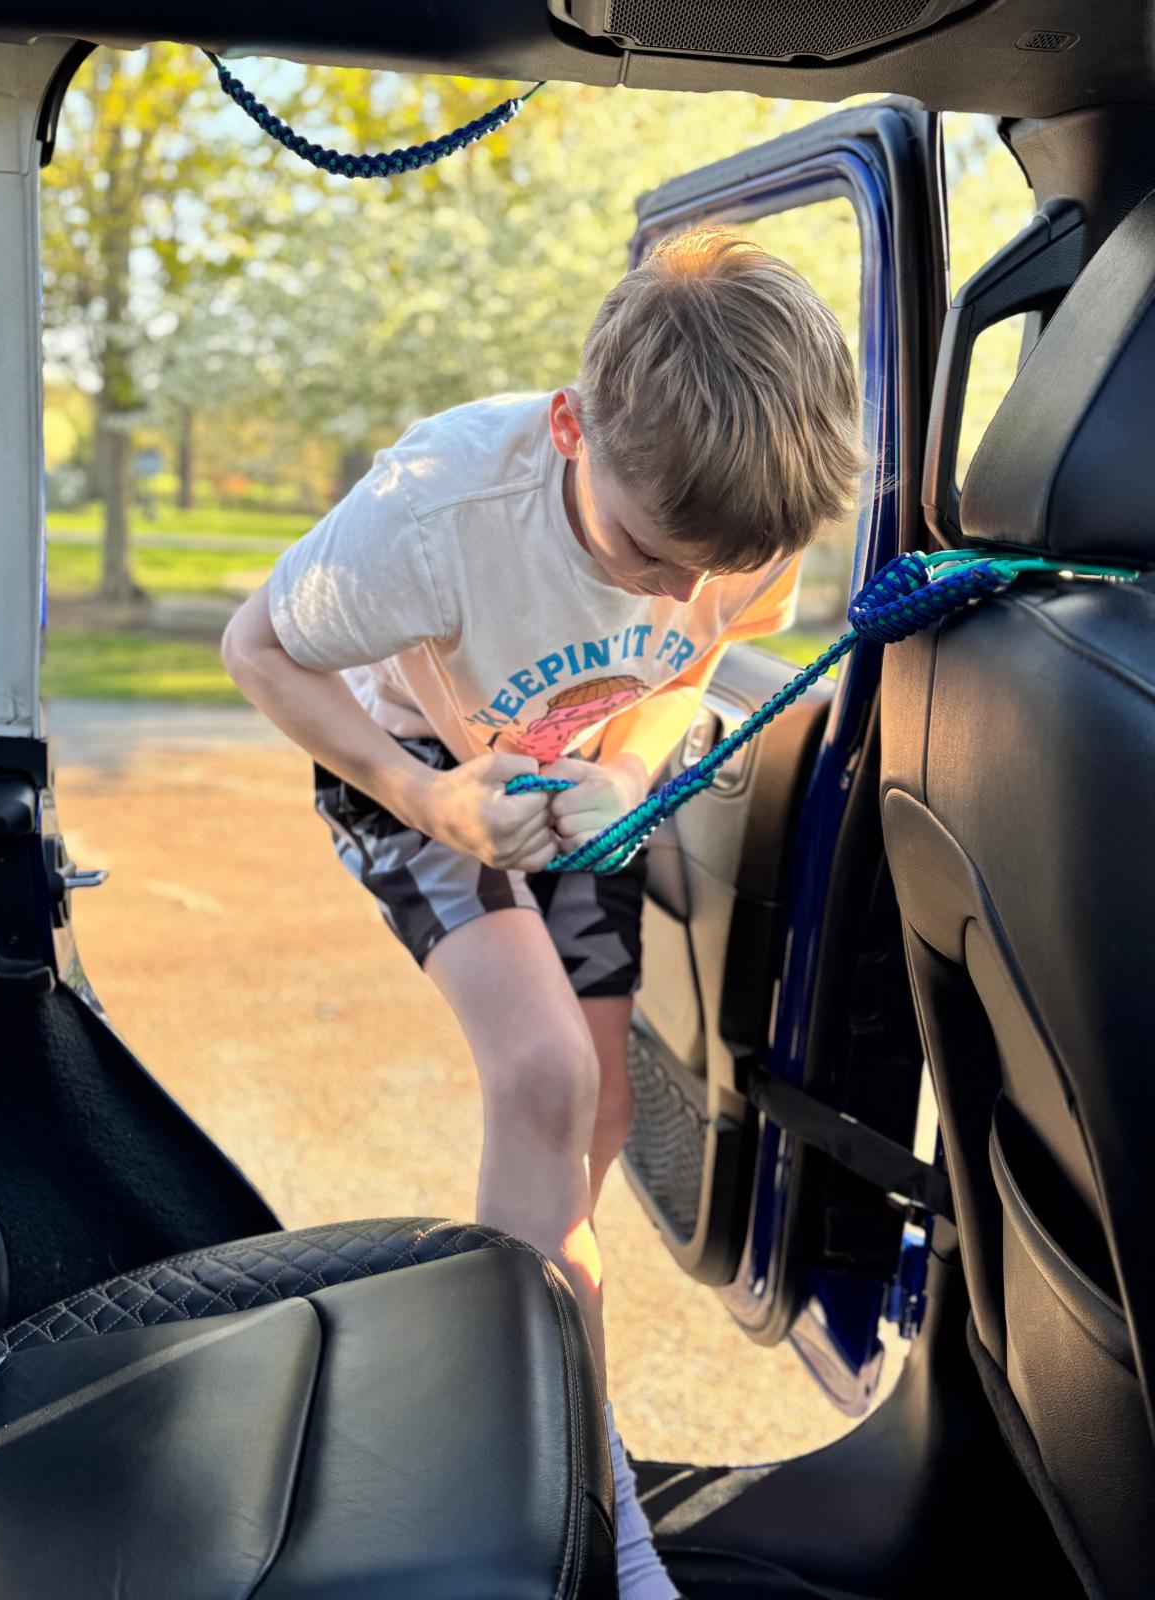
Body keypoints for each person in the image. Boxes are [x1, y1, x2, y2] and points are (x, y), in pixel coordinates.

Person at [222, 227, 863, 1600]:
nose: (676, 591)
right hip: (419, 783)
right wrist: (431, 795)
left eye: (713, 570)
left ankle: (542, 1331)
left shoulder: (732, 518)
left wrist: (631, 762)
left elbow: (691, 666)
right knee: (542, 1074)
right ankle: (548, 1467)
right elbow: (257, 648)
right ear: (570, 428)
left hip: (582, 790)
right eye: (642, 553)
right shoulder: (441, 506)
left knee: (600, 1118)